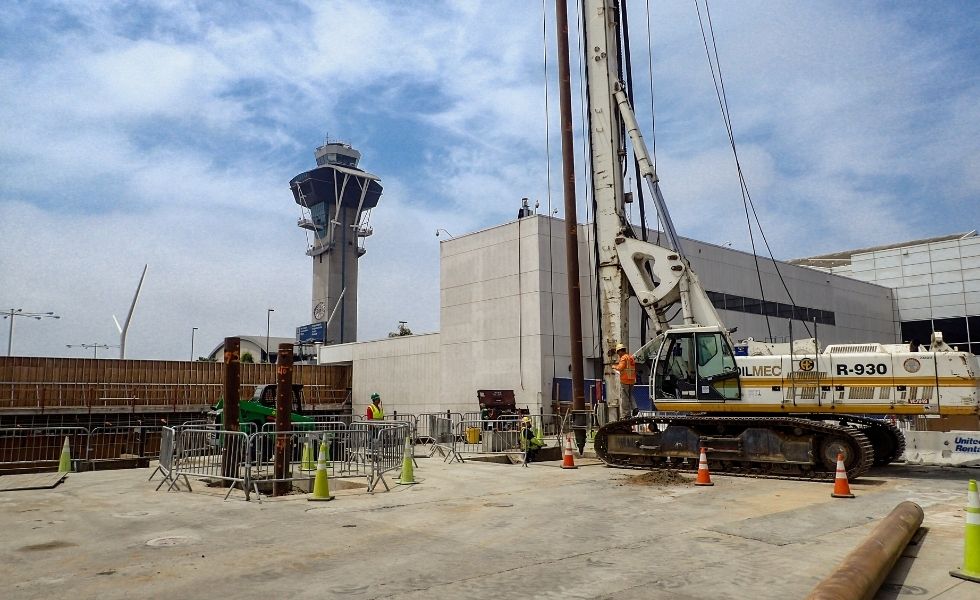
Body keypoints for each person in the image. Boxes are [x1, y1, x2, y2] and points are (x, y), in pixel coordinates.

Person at [612, 343, 637, 418]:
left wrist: (614, 366)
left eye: (618, 352)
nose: (618, 355)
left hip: (625, 380)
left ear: (620, 351)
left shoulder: (623, 358)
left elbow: (620, 367)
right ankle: (635, 408)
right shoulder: (630, 357)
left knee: (625, 398)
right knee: (630, 395)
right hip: (632, 380)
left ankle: (626, 414)